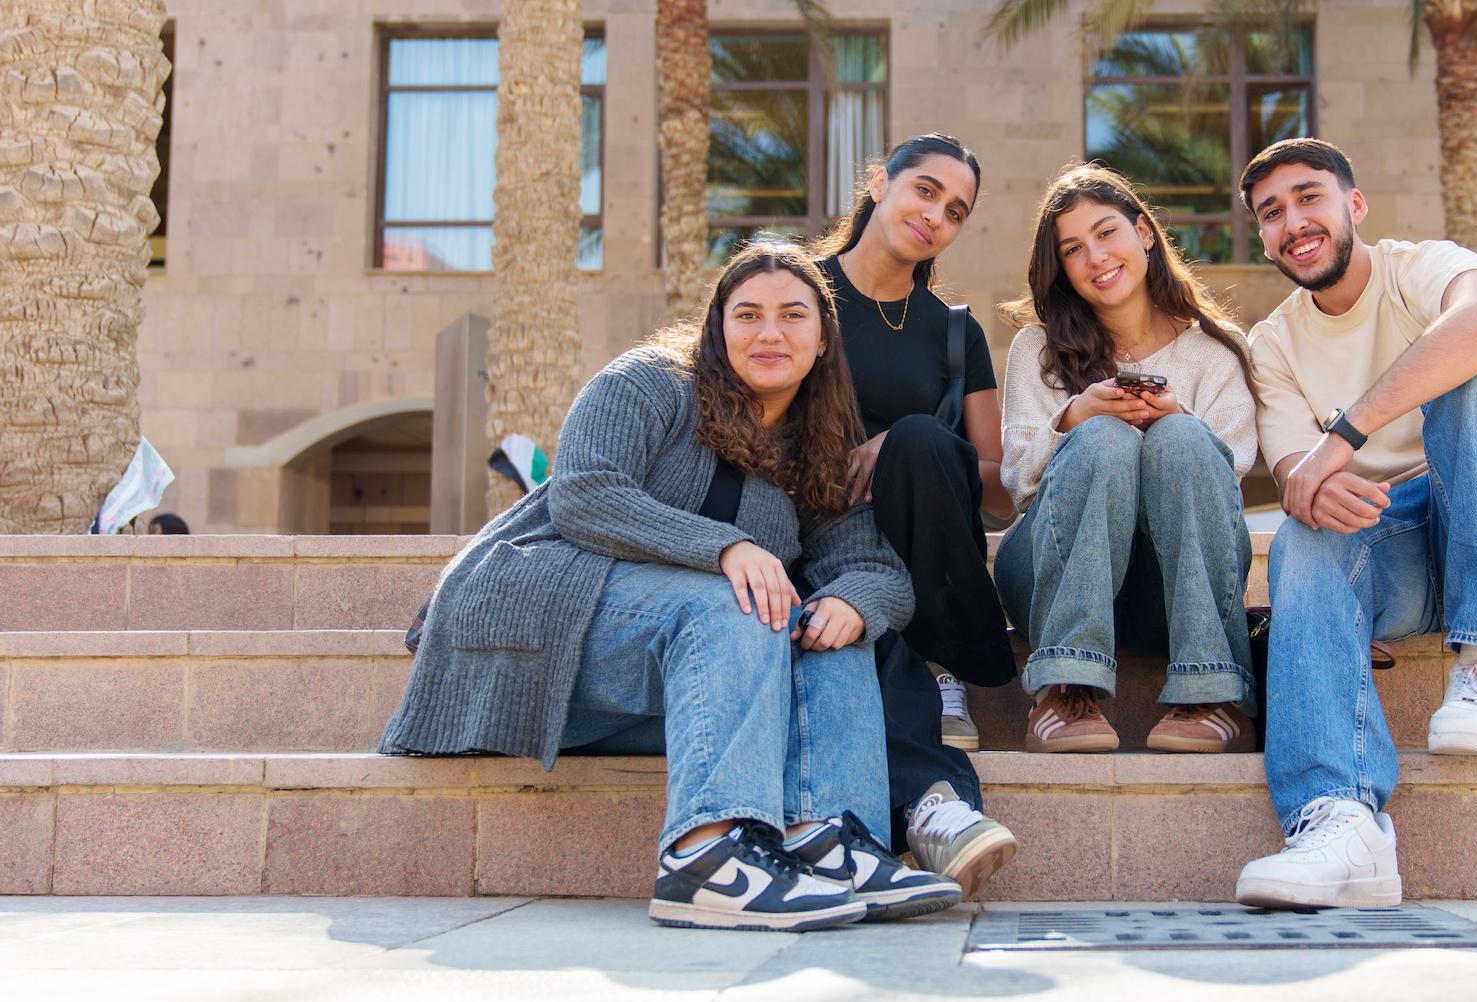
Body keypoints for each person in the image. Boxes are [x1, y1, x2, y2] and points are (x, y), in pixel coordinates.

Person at [382, 241, 960, 932]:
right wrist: (727, 546)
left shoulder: (816, 445)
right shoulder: (652, 380)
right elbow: (583, 495)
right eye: (746, 314)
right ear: (717, 326)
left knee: (822, 619)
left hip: (676, 676)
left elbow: (878, 570)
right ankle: (705, 857)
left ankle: (829, 837)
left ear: (824, 335)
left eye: (791, 315)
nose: (769, 332)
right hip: (540, 618)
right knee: (739, 601)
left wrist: (853, 602)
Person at [1230, 138, 1477, 911]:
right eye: (1271, 213)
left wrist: (1345, 435)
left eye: (1309, 197)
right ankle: (1342, 821)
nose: (1294, 221)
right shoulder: (1273, 343)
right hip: (1403, 548)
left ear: (1354, 205)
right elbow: (1295, 476)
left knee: (1474, 366)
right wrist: (1315, 491)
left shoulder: (1420, 266)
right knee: (1306, 533)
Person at [813, 131, 1020, 894]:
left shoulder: (955, 331)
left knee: (927, 441)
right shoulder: (799, 295)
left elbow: (995, 489)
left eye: (956, 209)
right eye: (925, 190)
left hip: (928, 536)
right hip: (822, 535)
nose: (936, 214)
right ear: (881, 181)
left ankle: (945, 667)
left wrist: (903, 438)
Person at [996, 164, 1260, 754]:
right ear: (1060, 267)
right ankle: (1066, 686)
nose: (1095, 257)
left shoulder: (1219, 351)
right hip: (1050, 572)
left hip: (1170, 585)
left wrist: (1175, 420)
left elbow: (1231, 470)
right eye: (1073, 249)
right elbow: (1018, 478)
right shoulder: (1036, 347)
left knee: (1185, 440)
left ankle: (1206, 689)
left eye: (1106, 232)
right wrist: (1075, 418)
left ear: (1144, 232)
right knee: (1104, 438)